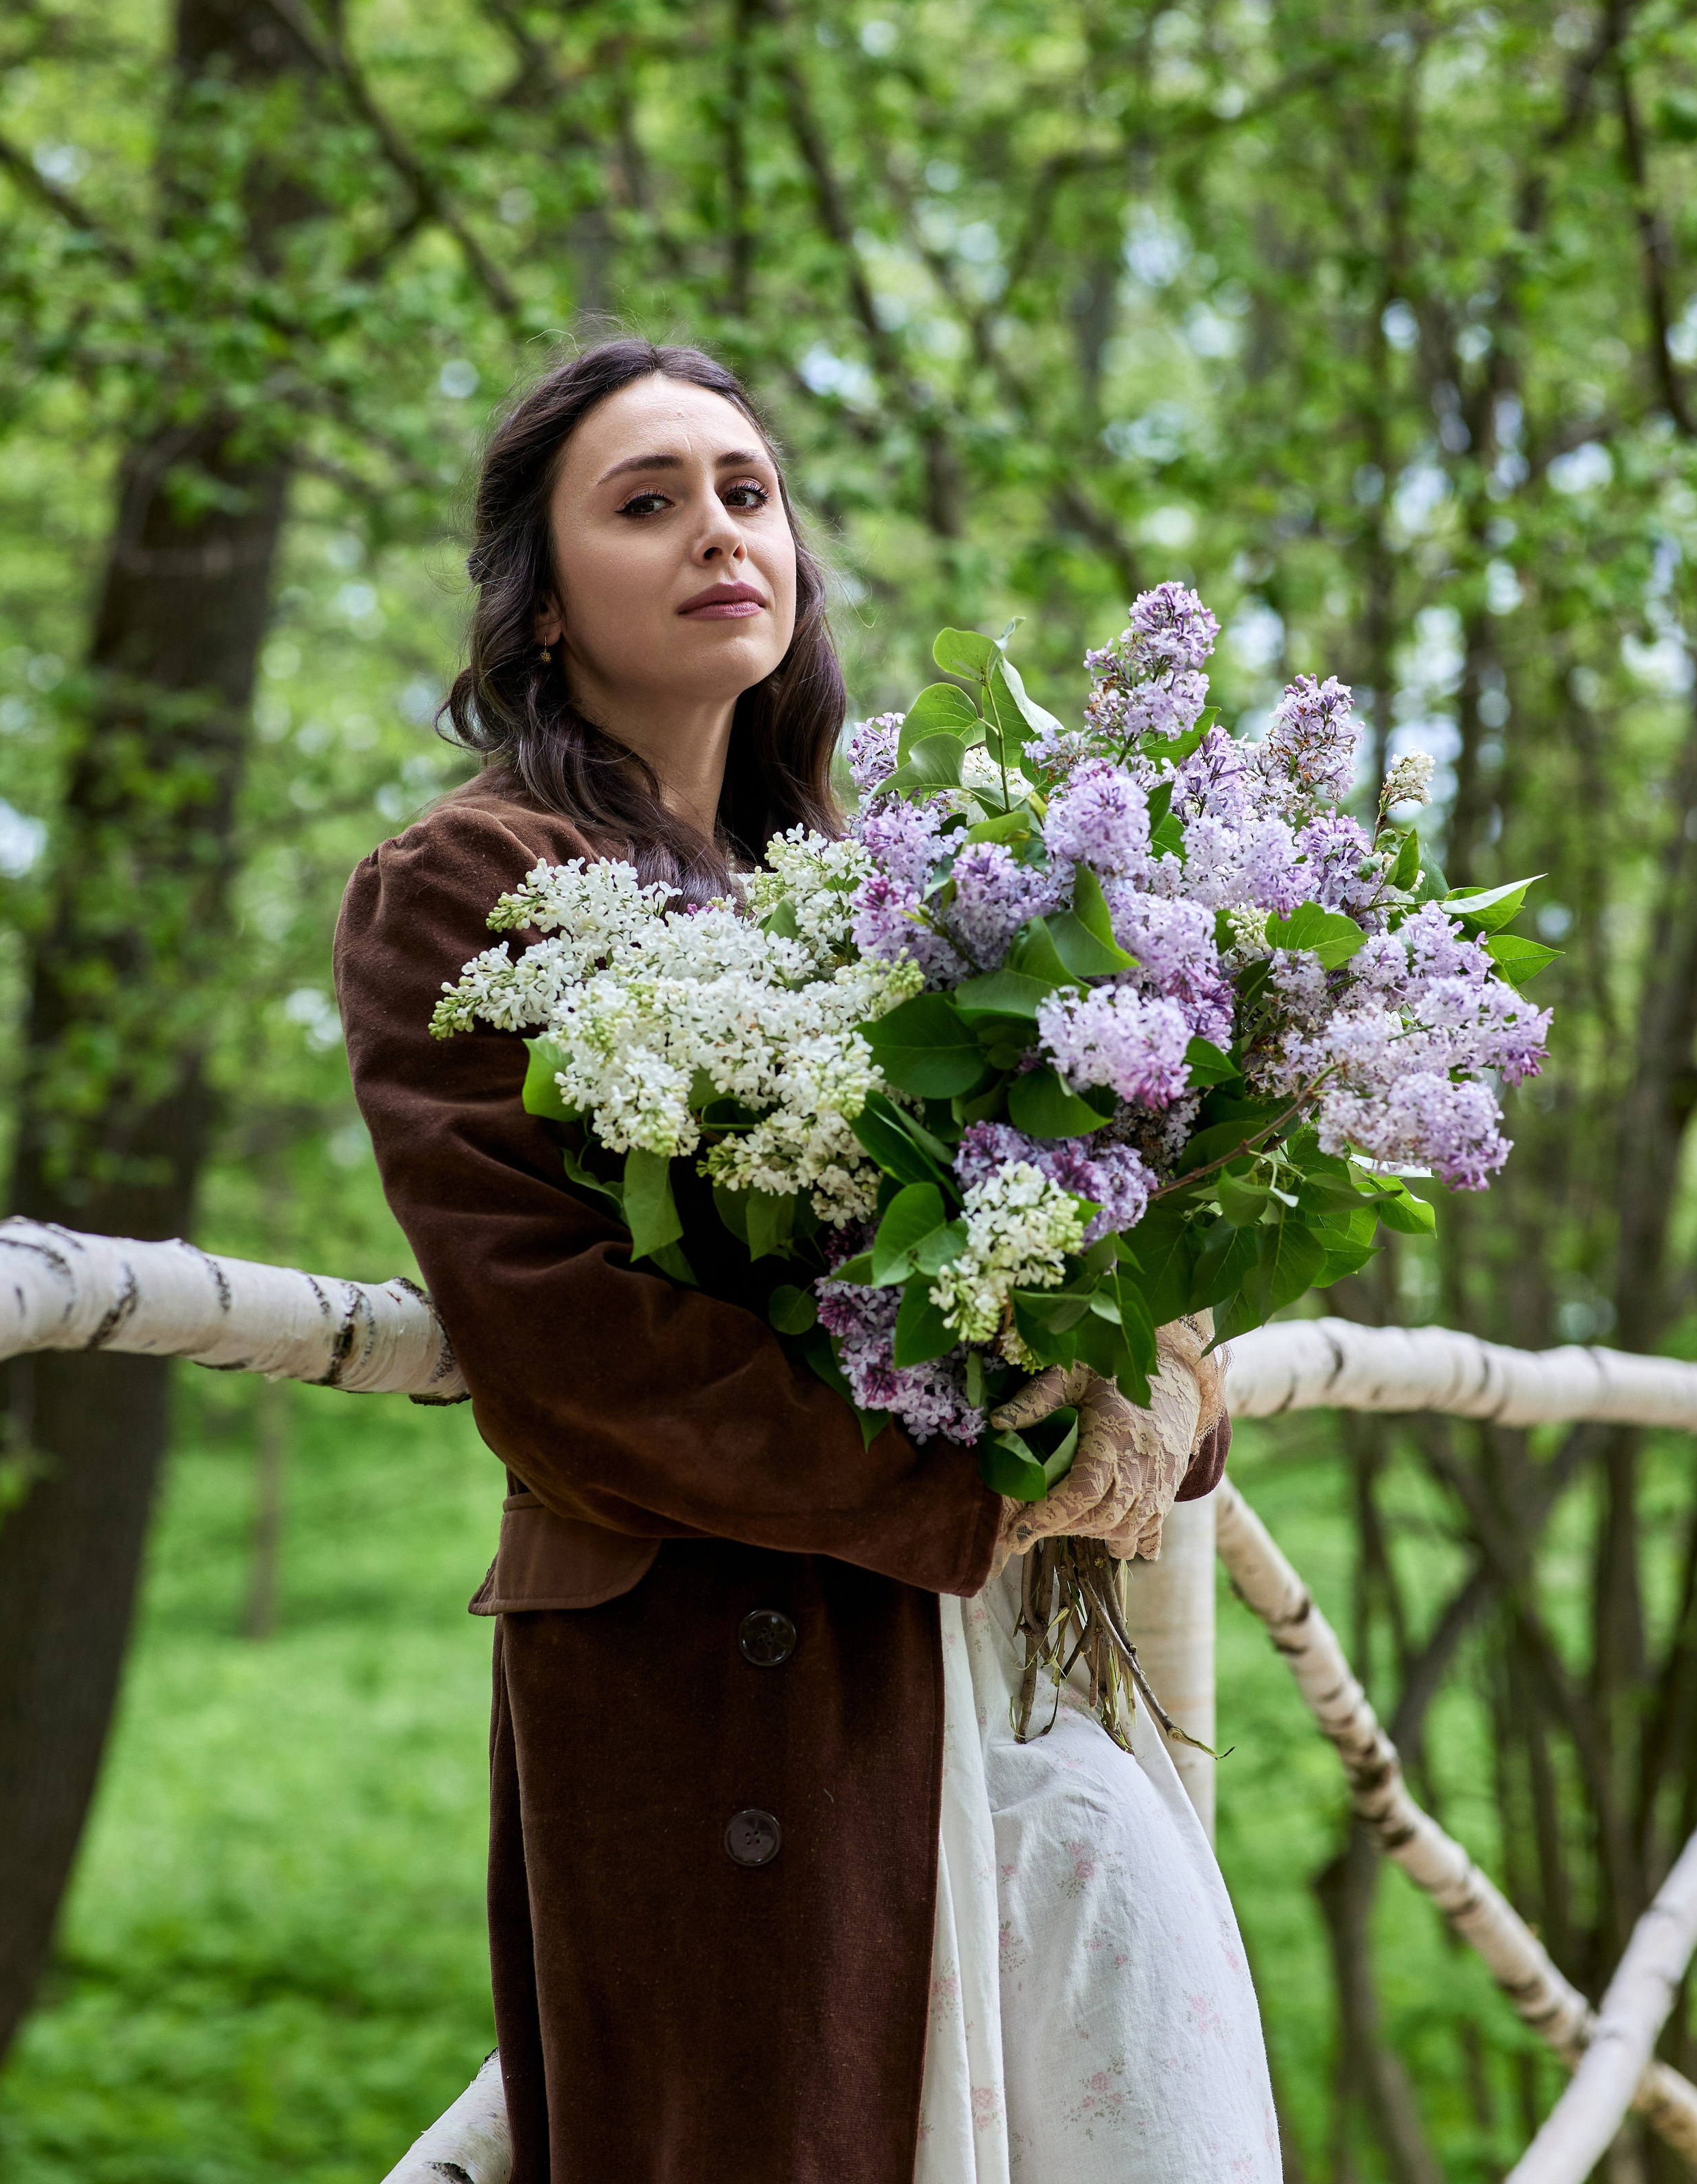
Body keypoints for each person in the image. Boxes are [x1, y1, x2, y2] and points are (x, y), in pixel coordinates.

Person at [335, 338, 1280, 2183]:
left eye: (746, 492)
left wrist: (1148, 1390)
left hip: (989, 1673)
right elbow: (565, 1350)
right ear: (539, 613)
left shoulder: (893, 898)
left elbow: (1099, 1239)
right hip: (715, 1681)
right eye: (647, 500)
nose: (717, 531)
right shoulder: (463, 884)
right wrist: (966, 1497)